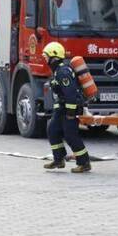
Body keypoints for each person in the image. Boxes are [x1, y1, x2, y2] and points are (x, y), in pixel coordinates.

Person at [42, 42, 91, 173]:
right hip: (62, 107)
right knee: (52, 130)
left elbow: (70, 93)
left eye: (46, 56)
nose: (45, 59)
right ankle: (59, 159)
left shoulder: (63, 72)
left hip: (71, 108)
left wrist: (70, 112)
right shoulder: (58, 70)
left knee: (70, 135)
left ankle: (84, 162)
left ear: (54, 56)